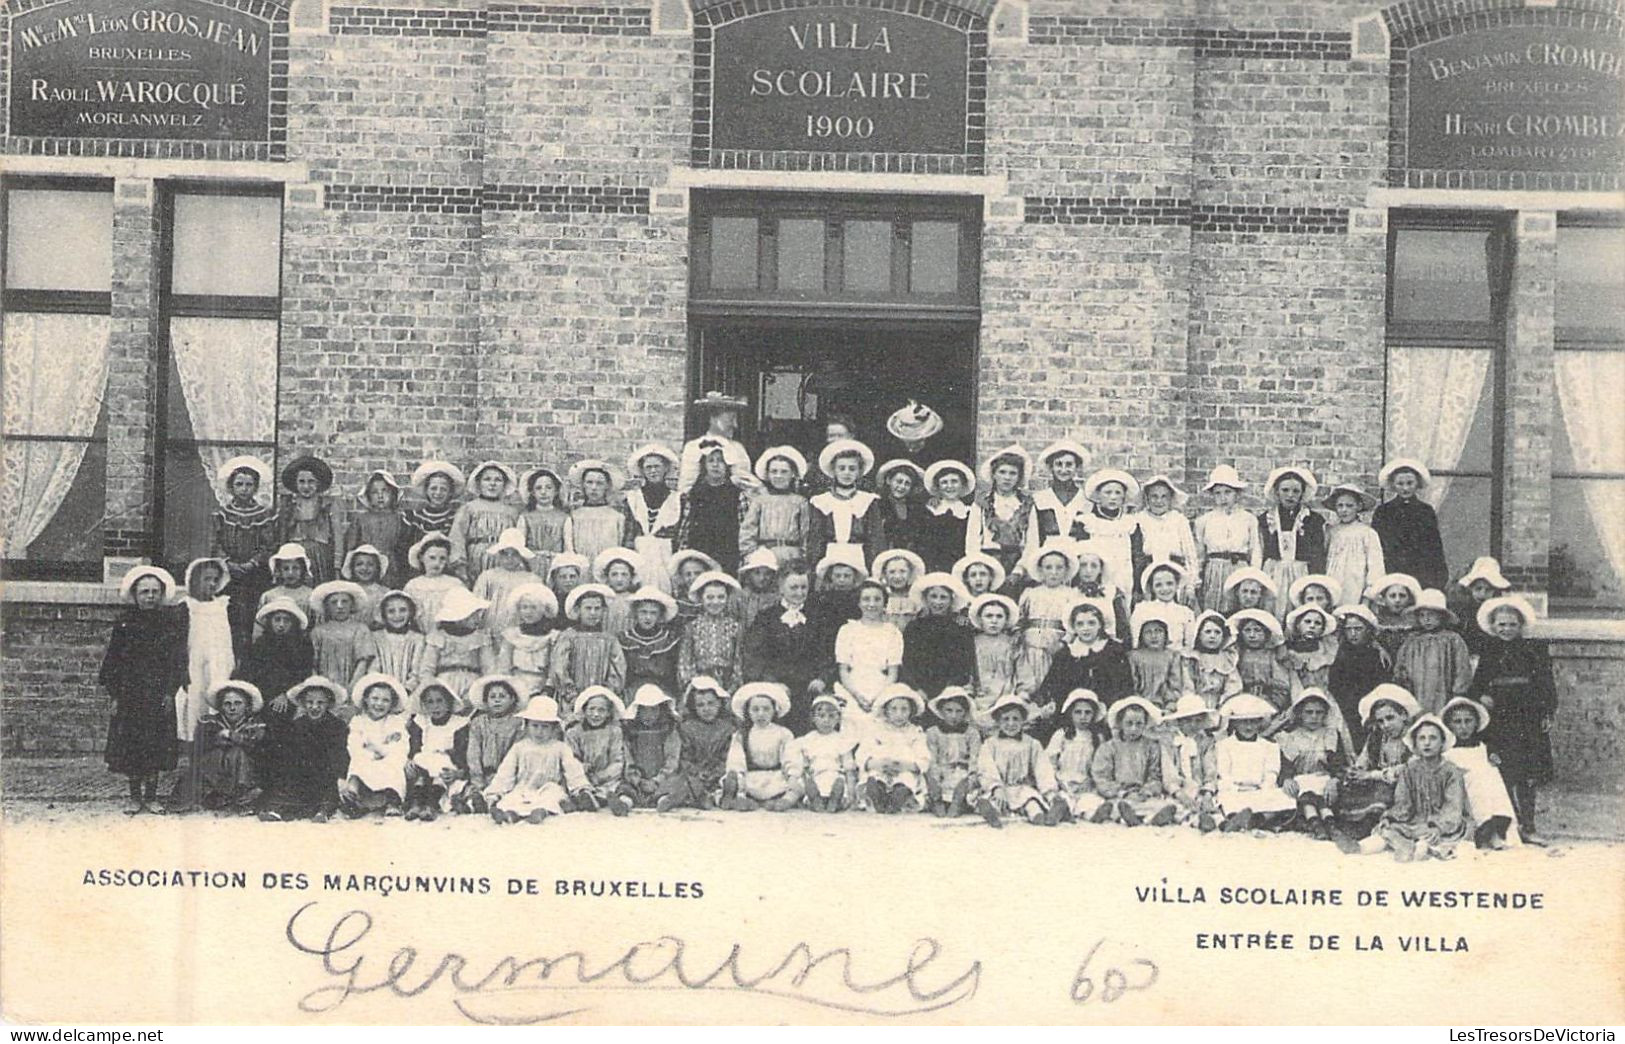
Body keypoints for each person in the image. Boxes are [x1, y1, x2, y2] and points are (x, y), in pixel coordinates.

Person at [100, 566, 188, 814]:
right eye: (144, 592)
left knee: (156, 745)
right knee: (132, 746)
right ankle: (134, 796)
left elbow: (176, 660)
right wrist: (115, 695)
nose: (149, 596)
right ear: (135, 595)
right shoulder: (125, 623)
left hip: (158, 695)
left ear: (161, 595)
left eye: (154, 592)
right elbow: (113, 661)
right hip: (130, 695)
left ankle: (152, 796)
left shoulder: (169, 624)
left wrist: (171, 692)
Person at [1470, 595, 1556, 845]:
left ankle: (1528, 826)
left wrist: (1546, 712)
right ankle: (1507, 828)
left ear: (1520, 626)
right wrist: (1483, 696)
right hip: (1500, 721)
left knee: (1527, 776)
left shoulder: (1534, 651)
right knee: (1504, 774)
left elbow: (1546, 685)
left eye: (1511, 624)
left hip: (1527, 718)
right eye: (1501, 625)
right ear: (1493, 627)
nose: (1506, 629)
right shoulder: (1489, 652)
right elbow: (1477, 686)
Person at [1361, 715, 1469, 861]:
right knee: (1390, 828)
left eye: (1433, 738)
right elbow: (1403, 803)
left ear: (1442, 742)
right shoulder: (1410, 769)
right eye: (1422, 738)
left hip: (1444, 824)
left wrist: (1438, 827)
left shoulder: (1451, 772)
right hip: (1415, 821)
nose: (1427, 743)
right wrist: (1390, 817)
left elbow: (1453, 807)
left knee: (1437, 837)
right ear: (1415, 744)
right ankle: (1401, 844)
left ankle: (1422, 846)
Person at [177, 557, 236, 806]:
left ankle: (217, 777)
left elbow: (229, 639)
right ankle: (194, 775)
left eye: (215, 580)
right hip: (194, 670)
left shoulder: (223, 606)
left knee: (217, 718)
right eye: (206, 579)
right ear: (193, 580)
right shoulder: (186, 607)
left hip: (218, 668)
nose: (211, 585)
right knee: (194, 716)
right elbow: (180, 643)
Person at [1032, 602, 1134, 742]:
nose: (1086, 629)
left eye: (1091, 623)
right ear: (1073, 627)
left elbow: (1124, 685)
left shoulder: (1114, 651)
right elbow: (1052, 685)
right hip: (1072, 716)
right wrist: (1052, 703)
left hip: (1105, 715)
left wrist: (1111, 710)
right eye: (1080, 624)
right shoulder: (1066, 654)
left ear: (1100, 625)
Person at [741, 568, 827, 734]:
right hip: (777, 685)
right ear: (781, 588)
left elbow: (826, 652)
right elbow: (754, 655)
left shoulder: (817, 617)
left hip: (809, 687)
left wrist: (821, 678)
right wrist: (772, 682)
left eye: (803, 587)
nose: (799, 592)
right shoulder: (766, 617)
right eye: (793, 588)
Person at [483, 695, 591, 824]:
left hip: (550, 786)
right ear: (527, 726)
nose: (539, 732)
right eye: (535, 726)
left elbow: (573, 770)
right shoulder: (520, 747)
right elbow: (506, 773)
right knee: (512, 798)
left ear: (553, 728)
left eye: (545, 727)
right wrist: (495, 792)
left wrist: (580, 789)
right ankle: (509, 814)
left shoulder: (560, 748)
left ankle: (540, 812)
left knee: (552, 797)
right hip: (524, 786)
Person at [211, 456, 279, 657]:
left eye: (249, 484)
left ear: (256, 487)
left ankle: (251, 659)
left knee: (252, 617)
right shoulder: (222, 514)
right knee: (231, 618)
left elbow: (270, 545)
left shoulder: (264, 515)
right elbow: (214, 543)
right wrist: (228, 563)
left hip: (255, 575)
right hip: (228, 575)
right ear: (231, 486)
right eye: (239, 484)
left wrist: (253, 563)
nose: (244, 489)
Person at [256, 677, 348, 822]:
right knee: (286, 786)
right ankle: (278, 810)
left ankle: (323, 811)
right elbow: (290, 752)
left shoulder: (337, 726)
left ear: (329, 704)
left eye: (320, 703)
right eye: (310, 702)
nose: (314, 707)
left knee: (329, 791)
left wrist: (339, 774)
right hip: (303, 772)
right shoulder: (297, 725)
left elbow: (339, 753)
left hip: (326, 771)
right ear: (303, 704)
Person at [1336, 684, 1420, 835]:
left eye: (1390, 718)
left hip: (1405, 788)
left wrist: (1371, 775)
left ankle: (1370, 825)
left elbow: (1409, 769)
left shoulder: (1415, 738)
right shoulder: (1376, 738)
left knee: (1384, 794)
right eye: (1380, 721)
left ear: (1404, 715)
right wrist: (1357, 771)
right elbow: (1364, 759)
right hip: (1378, 785)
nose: (1385, 725)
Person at [1441, 696, 1518, 849]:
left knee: (1491, 773)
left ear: (1476, 723)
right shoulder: (1447, 751)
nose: (1463, 727)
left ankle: (1495, 829)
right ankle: (1483, 829)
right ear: (1449, 725)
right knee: (1476, 778)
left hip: (1484, 788)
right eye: (1457, 722)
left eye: (1468, 721)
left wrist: (1494, 759)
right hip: (1460, 790)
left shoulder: (1482, 747)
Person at [1275, 689, 1351, 843]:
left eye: (1319, 713)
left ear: (1325, 715)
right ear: (1300, 714)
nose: (1314, 717)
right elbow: (1285, 765)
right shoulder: (1290, 737)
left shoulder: (1330, 735)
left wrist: (1335, 780)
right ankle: (1315, 823)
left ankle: (1330, 825)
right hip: (1301, 780)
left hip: (1323, 779)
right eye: (1309, 712)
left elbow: (1338, 764)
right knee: (1300, 794)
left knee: (1328, 793)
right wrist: (1287, 779)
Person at [1213, 693, 1295, 831]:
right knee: (1226, 799)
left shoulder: (1269, 746)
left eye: (1253, 721)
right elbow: (1224, 773)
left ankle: (1257, 819)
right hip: (1235, 791)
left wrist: (1264, 788)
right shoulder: (1224, 745)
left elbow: (1271, 773)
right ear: (1235, 723)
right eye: (1244, 722)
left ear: (1259, 723)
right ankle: (1241, 818)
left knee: (1284, 799)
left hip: (1260, 791)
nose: (1249, 726)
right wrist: (1236, 789)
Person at [1089, 697, 1176, 826]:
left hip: (1142, 794)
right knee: (1105, 804)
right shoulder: (1109, 747)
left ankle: (1150, 818)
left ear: (1145, 724)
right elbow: (1101, 777)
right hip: (1118, 794)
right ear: (1120, 723)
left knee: (1159, 805)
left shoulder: (1151, 747)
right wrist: (1122, 792)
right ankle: (1123, 814)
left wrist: (1146, 791)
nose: (1134, 729)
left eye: (1139, 724)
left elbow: (1155, 775)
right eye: (1129, 723)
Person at [976, 694, 1060, 827]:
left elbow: (1042, 768)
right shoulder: (990, 744)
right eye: (1006, 719)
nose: (1011, 724)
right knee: (995, 802)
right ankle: (991, 813)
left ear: (1023, 720)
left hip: (1021, 788)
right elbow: (986, 767)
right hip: (1000, 788)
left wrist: (1048, 791)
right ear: (998, 721)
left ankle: (1040, 818)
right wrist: (996, 787)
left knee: (1032, 803)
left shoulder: (1032, 744)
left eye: (1016, 719)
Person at [655, 677, 735, 812]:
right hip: (694, 774)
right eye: (700, 705)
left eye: (711, 704)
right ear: (694, 706)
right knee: (682, 782)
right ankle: (675, 799)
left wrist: (715, 772)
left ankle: (717, 798)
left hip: (718, 773)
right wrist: (696, 772)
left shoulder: (727, 728)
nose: (706, 709)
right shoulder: (687, 727)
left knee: (726, 781)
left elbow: (727, 756)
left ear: (720, 704)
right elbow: (685, 756)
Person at [834, 580, 905, 727]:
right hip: (852, 687)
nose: (871, 604)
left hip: (881, 687)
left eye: (877, 599)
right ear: (858, 603)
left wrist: (878, 698)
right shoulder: (847, 630)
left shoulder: (892, 632)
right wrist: (857, 696)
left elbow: (893, 672)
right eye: (866, 599)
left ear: (884, 603)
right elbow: (843, 669)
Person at [1257, 465, 1327, 613]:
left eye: (1296, 491)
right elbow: (1260, 552)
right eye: (1285, 490)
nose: (1290, 495)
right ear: (1277, 492)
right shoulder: (1265, 519)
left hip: (1301, 572)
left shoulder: (1313, 520)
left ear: (1302, 494)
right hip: (1273, 572)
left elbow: (1318, 555)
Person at [339, 674, 411, 817]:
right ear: (366, 699)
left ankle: (392, 801)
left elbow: (399, 745)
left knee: (394, 766)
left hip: (388, 759)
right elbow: (354, 744)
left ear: (392, 704)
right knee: (358, 763)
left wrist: (380, 750)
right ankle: (353, 795)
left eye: (385, 700)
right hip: (365, 758)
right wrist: (371, 753)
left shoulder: (395, 721)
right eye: (375, 699)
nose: (379, 704)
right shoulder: (358, 721)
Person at [1371, 459, 1448, 591]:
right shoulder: (1383, 512)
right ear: (1393, 485)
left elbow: (1434, 546)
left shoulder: (1426, 511)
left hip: (1421, 572)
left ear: (1417, 484)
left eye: (1409, 483)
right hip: (1392, 569)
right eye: (1400, 484)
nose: (1405, 488)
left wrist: (1437, 577)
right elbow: (1376, 547)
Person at [722, 683, 801, 811]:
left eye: (766, 709)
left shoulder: (783, 733)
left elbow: (791, 757)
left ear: (774, 710)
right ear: (748, 711)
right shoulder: (742, 735)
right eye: (755, 709)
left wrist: (792, 774)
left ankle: (785, 801)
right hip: (751, 777)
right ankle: (740, 798)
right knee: (732, 780)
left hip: (775, 777)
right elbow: (736, 759)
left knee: (797, 783)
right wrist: (738, 775)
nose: (761, 714)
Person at [192, 681, 268, 813]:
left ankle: (242, 797)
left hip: (246, 773)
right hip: (215, 774)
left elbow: (258, 746)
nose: (232, 708)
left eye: (238, 703)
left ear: (247, 706)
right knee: (217, 753)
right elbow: (199, 745)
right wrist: (218, 739)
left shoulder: (255, 724)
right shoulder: (210, 722)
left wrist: (232, 736)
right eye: (227, 704)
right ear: (221, 706)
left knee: (237, 752)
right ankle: (218, 796)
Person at [1194, 465, 1261, 613]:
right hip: (1214, 570)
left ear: (1237, 494)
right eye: (1218, 493)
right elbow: (1199, 554)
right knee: (1215, 608)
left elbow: (1255, 550)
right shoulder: (1204, 521)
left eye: (1227, 492)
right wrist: (1197, 576)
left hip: (1239, 569)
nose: (1223, 498)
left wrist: (1253, 576)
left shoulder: (1248, 519)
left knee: (1238, 608)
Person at [1394, 589, 1473, 715]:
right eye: (1422, 615)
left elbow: (1462, 669)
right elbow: (1401, 668)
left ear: (1442, 616)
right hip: (1417, 695)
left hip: (1444, 695)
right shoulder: (1411, 641)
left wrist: (1457, 693)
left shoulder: (1452, 640)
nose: (1427, 619)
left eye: (1432, 614)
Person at [807, 438, 882, 570]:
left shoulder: (868, 501)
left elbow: (874, 540)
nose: (846, 473)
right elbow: (816, 540)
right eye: (842, 468)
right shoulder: (821, 502)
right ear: (834, 470)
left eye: (852, 469)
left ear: (859, 472)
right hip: (829, 559)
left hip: (859, 558)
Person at [548, 584, 627, 709]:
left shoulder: (609, 639)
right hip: (571, 701)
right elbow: (559, 669)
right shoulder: (568, 637)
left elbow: (617, 671)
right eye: (588, 608)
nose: (593, 613)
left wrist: (604, 695)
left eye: (597, 608)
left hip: (602, 702)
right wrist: (572, 695)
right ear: (578, 610)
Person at [899, 572, 975, 702]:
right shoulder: (914, 627)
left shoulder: (960, 628)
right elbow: (907, 662)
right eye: (933, 596)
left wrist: (947, 692)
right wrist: (917, 690)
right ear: (926, 598)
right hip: (919, 691)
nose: (938, 602)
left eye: (943, 597)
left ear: (951, 600)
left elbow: (964, 666)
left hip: (950, 692)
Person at [858, 684, 932, 814]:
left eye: (904, 709)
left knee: (907, 780)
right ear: (886, 710)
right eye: (894, 709)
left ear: (911, 711)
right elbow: (862, 752)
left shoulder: (915, 732)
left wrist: (908, 765)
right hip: (880, 767)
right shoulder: (876, 729)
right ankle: (878, 795)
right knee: (874, 777)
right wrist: (876, 763)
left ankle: (898, 796)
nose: (899, 714)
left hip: (905, 768)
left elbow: (924, 757)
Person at [1017, 543, 1082, 688]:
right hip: (1031, 646)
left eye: (1059, 568)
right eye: (1048, 568)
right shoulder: (1030, 593)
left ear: (1066, 571)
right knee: (1029, 683)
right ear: (1040, 570)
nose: (1054, 572)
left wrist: (1063, 643)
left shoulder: (1071, 595)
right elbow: (1020, 620)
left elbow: (1074, 624)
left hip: (1056, 646)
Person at [621, 444, 683, 592]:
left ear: (666, 468)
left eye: (657, 466)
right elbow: (628, 535)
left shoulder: (678, 499)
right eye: (648, 467)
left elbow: (680, 536)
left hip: (666, 558)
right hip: (639, 557)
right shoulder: (632, 498)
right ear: (642, 470)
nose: (653, 471)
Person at [1022, 439, 1093, 569]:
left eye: (1069, 464)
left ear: (1076, 468)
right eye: (1059, 464)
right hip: (1048, 562)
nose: (1064, 469)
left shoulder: (1086, 499)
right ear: (1051, 467)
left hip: (1078, 561)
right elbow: (1033, 539)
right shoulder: (1039, 499)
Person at [404, 681, 470, 820]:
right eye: (430, 702)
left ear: (449, 702)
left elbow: (461, 751)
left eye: (440, 701)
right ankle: (416, 804)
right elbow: (414, 745)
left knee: (440, 769)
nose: (435, 706)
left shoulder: (458, 723)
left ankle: (431, 805)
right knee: (420, 767)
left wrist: (459, 771)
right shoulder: (422, 722)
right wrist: (410, 758)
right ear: (424, 705)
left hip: (447, 764)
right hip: (423, 762)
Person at [740, 446, 812, 571]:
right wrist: (750, 554)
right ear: (768, 474)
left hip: (793, 555)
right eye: (774, 471)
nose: (778, 476)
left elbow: (806, 533)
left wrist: (804, 557)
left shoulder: (800, 502)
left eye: (784, 472)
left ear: (793, 474)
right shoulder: (760, 500)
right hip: (765, 554)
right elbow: (748, 530)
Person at [613, 685, 682, 815]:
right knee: (625, 788)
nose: (649, 715)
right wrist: (637, 780)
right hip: (639, 778)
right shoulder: (631, 732)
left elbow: (672, 759)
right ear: (637, 711)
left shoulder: (669, 731)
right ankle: (624, 803)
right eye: (644, 710)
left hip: (662, 778)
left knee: (676, 784)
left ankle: (663, 801)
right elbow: (628, 758)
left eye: (653, 710)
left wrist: (658, 780)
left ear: (661, 709)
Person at [1075, 468, 1143, 600]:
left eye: (1118, 493)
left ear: (1124, 497)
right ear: (1098, 495)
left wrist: (1137, 587)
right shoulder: (1087, 522)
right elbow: (1080, 557)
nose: (1113, 497)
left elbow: (1138, 557)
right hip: (1096, 580)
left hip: (1124, 579)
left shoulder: (1130, 523)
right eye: (1107, 492)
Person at [238, 599, 316, 713]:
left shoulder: (302, 646)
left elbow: (303, 674)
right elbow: (251, 673)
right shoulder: (260, 644)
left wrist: (286, 694)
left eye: (286, 620)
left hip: (291, 696)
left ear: (293, 623)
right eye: (277, 620)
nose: (281, 625)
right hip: (263, 695)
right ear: (270, 622)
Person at [462, 675, 526, 813]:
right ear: (486, 701)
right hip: (482, 773)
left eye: (502, 696)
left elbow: (516, 753)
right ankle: (474, 801)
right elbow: (473, 753)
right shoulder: (478, 723)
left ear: (512, 699)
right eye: (492, 697)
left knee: (508, 793)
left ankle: (493, 803)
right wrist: (478, 778)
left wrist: (502, 776)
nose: (497, 700)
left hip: (506, 774)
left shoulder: (517, 723)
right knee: (469, 789)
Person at [422, 587, 496, 704]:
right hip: (443, 684)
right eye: (473, 615)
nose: (477, 619)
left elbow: (489, 667)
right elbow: (427, 668)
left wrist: (484, 688)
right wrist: (431, 688)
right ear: (459, 618)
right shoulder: (438, 637)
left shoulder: (481, 638)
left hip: (473, 683)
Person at [449, 461, 521, 582]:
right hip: (476, 558)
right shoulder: (469, 508)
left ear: (504, 485)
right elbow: (457, 537)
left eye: (498, 480)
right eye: (487, 479)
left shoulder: (512, 512)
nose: (492, 484)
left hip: (502, 558)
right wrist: (460, 565)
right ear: (479, 483)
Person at [1046, 689, 1109, 824]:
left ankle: (1094, 815)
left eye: (1088, 713)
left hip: (1086, 784)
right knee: (1060, 799)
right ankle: (1060, 811)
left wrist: (1090, 781)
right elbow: (1050, 762)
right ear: (1070, 714)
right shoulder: (1062, 735)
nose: (1083, 717)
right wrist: (1058, 782)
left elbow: (1101, 767)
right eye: (1078, 712)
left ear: (1094, 715)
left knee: (1090, 801)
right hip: (1063, 782)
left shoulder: (1097, 738)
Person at [678, 445, 745, 574]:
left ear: (727, 466)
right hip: (700, 553)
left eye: (720, 461)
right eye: (711, 461)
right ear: (704, 466)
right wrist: (683, 554)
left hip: (728, 553)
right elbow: (685, 528)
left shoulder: (737, 494)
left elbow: (743, 528)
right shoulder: (694, 493)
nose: (715, 465)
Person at [967, 592, 1028, 733]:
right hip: (981, 698)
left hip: (1007, 695)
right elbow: (968, 673)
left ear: (1006, 620)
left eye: (999, 616)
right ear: (980, 619)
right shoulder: (973, 643)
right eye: (989, 616)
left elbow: (1023, 671)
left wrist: (1023, 692)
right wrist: (970, 694)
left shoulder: (1012, 643)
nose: (994, 621)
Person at [1327, 604, 1391, 736]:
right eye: (1348, 629)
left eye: (1358, 629)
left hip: (1369, 710)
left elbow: (1381, 687)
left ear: (1368, 630)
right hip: (1345, 709)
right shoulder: (1339, 653)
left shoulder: (1376, 655)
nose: (1353, 634)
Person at [971, 445, 1033, 580]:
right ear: (994, 474)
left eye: (1012, 473)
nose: (1007, 478)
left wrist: (1019, 570)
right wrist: (980, 568)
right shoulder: (982, 503)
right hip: (987, 562)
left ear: (1019, 477)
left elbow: (1032, 541)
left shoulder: (1026, 504)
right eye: (1002, 472)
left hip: (1017, 562)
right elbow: (972, 541)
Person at [1135, 475, 1199, 606]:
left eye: (1164, 496)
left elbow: (1190, 555)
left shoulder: (1179, 520)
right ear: (1147, 498)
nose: (1159, 501)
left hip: (1176, 576)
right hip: (1148, 576)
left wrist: (1190, 585)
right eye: (1154, 496)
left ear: (1170, 499)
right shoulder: (1139, 519)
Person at [1159, 694, 1220, 831]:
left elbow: (1210, 769)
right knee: (1171, 805)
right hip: (1176, 790)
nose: (1193, 725)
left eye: (1198, 721)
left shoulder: (1206, 742)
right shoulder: (1169, 742)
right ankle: (1181, 817)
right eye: (1188, 721)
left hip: (1200, 789)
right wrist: (1179, 793)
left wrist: (1208, 792)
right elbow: (1168, 771)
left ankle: (1205, 820)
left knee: (1213, 804)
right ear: (1179, 721)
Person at [678, 570, 745, 691]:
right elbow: (685, 661)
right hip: (699, 684)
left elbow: (738, 660)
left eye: (721, 597)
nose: (715, 602)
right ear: (701, 599)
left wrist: (733, 687)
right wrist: (693, 685)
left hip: (728, 684)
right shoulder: (692, 627)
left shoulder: (735, 626)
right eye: (710, 597)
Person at [1321, 482, 1385, 609]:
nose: (1344, 510)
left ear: (1358, 507)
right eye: (1340, 506)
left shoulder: (1367, 533)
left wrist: (1368, 597)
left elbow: (1376, 567)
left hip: (1356, 584)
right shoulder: (1331, 531)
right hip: (1333, 582)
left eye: (1349, 506)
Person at [278, 455, 339, 585]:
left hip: (320, 556)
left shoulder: (327, 505)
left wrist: (337, 563)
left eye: (311, 482)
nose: (306, 486)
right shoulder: (289, 505)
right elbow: (282, 534)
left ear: (318, 483)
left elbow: (337, 535)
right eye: (302, 481)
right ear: (295, 483)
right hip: (295, 556)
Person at [793, 693, 858, 813]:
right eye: (821, 716)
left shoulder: (841, 739)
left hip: (835, 774)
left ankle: (835, 801)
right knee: (809, 784)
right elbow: (804, 763)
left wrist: (851, 793)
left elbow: (848, 766)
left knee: (839, 784)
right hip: (815, 775)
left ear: (838, 719)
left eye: (831, 716)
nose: (826, 720)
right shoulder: (809, 739)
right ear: (813, 718)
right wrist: (806, 775)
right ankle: (815, 800)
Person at [677, 391, 754, 494]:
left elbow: (746, 486)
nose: (735, 425)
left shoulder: (737, 448)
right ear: (713, 418)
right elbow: (685, 487)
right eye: (730, 419)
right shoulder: (694, 447)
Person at [308, 580, 378, 692]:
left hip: (353, 683)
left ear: (352, 605)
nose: (340, 606)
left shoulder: (361, 629)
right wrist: (321, 686)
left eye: (344, 601)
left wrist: (352, 686)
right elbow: (313, 664)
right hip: (325, 684)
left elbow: (363, 661)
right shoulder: (318, 631)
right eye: (334, 602)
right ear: (326, 606)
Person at [565, 687, 627, 812]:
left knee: (616, 786)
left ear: (609, 713)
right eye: (591, 709)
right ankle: (585, 796)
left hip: (606, 777)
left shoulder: (614, 732)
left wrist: (600, 777)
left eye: (601, 710)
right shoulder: (574, 732)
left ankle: (603, 798)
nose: (596, 714)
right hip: (582, 777)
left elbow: (617, 760)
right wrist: (582, 767)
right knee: (574, 782)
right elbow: (571, 758)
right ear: (584, 710)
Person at [923, 687, 981, 817]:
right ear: (941, 711)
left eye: (959, 711)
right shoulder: (933, 732)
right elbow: (932, 758)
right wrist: (936, 778)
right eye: (949, 710)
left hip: (963, 772)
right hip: (941, 773)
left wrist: (971, 776)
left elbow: (974, 758)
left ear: (965, 713)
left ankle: (958, 802)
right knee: (930, 782)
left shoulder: (971, 733)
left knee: (967, 786)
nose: (953, 715)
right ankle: (937, 800)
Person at [916, 460, 981, 573]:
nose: (949, 486)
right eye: (944, 482)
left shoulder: (970, 512)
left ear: (962, 484)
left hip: (961, 566)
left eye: (954, 481)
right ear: (938, 486)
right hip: (933, 566)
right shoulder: (928, 511)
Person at [401, 461, 465, 576]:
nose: (438, 493)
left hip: (448, 571)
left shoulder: (455, 517)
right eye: (433, 488)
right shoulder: (414, 517)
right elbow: (406, 547)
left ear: (450, 492)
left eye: (443, 489)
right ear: (426, 490)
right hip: (418, 571)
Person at [495, 583, 558, 698]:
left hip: (542, 690)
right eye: (524, 607)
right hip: (515, 688)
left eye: (534, 607)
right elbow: (504, 667)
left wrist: (547, 689)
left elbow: (554, 669)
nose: (528, 612)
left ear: (544, 610)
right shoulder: (511, 635)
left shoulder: (553, 637)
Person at [343, 470, 407, 582]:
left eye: (385, 491)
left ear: (393, 494)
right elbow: (351, 546)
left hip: (392, 567)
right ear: (368, 496)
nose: (380, 496)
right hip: (367, 566)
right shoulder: (361, 519)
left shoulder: (399, 519)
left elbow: (403, 546)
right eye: (374, 492)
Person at [620, 585, 683, 698]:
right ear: (636, 613)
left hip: (663, 690)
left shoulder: (670, 639)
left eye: (653, 613)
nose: (648, 617)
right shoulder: (624, 639)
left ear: (660, 615)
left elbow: (673, 674)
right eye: (643, 612)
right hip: (631, 692)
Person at [474, 527, 538, 635]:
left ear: (521, 556)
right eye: (505, 554)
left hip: (519, 628)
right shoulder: (488, 577)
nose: (509, 559)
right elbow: (478, 602)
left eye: (514, 554)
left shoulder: (531, 579)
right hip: (491, 625)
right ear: (498, 554)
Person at [1229, 608, 1293, 715]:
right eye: (1247, 630)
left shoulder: (1272, 656)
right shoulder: (1237, 654)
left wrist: (1273, 701)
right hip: (1241, 699)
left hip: (1268, 699)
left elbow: (1282, 685)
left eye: (1257, 630)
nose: (1252, 635)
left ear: (1266, 634)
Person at [567, 459, 628, 565]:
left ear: (607, 486)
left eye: (599, 483)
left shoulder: (617, 518)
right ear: (583, 485)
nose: (594, 488)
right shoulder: (575, 516)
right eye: (589, 483)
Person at [402, 533, 463, 638]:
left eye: (442, 558)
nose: (437, 563)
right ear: (421, 558)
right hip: (419, 636)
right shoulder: (413, 585)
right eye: (432, 558)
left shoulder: (454, 584)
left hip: (447, 637)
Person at [519, 466, 574, 583]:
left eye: (548, 488)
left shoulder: (564, 518)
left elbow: (568, 547)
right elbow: (520, 547)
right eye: (539, 488)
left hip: (556, 565)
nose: (543, 492)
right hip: (531, 565)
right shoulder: (525, 517)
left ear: (556, 491)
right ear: (532, 492)